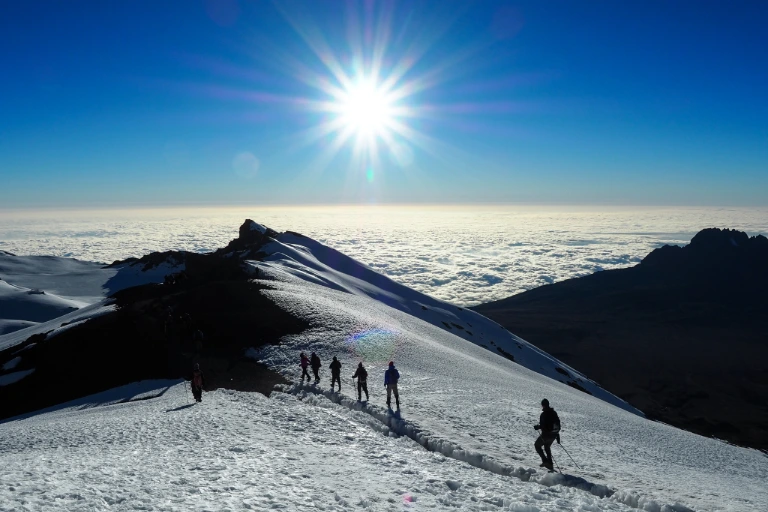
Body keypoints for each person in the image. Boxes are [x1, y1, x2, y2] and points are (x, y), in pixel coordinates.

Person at [534, 398, 561, 471]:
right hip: (554, 435)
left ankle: (545, 461)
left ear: (543, 405)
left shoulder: (544, 414)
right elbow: (557, 424)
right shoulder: (554, 413)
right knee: (547, 447)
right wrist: (557, 435)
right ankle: (550, 464)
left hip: (546, 435)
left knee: (537, 445)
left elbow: (543, 426)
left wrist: (538, 427)